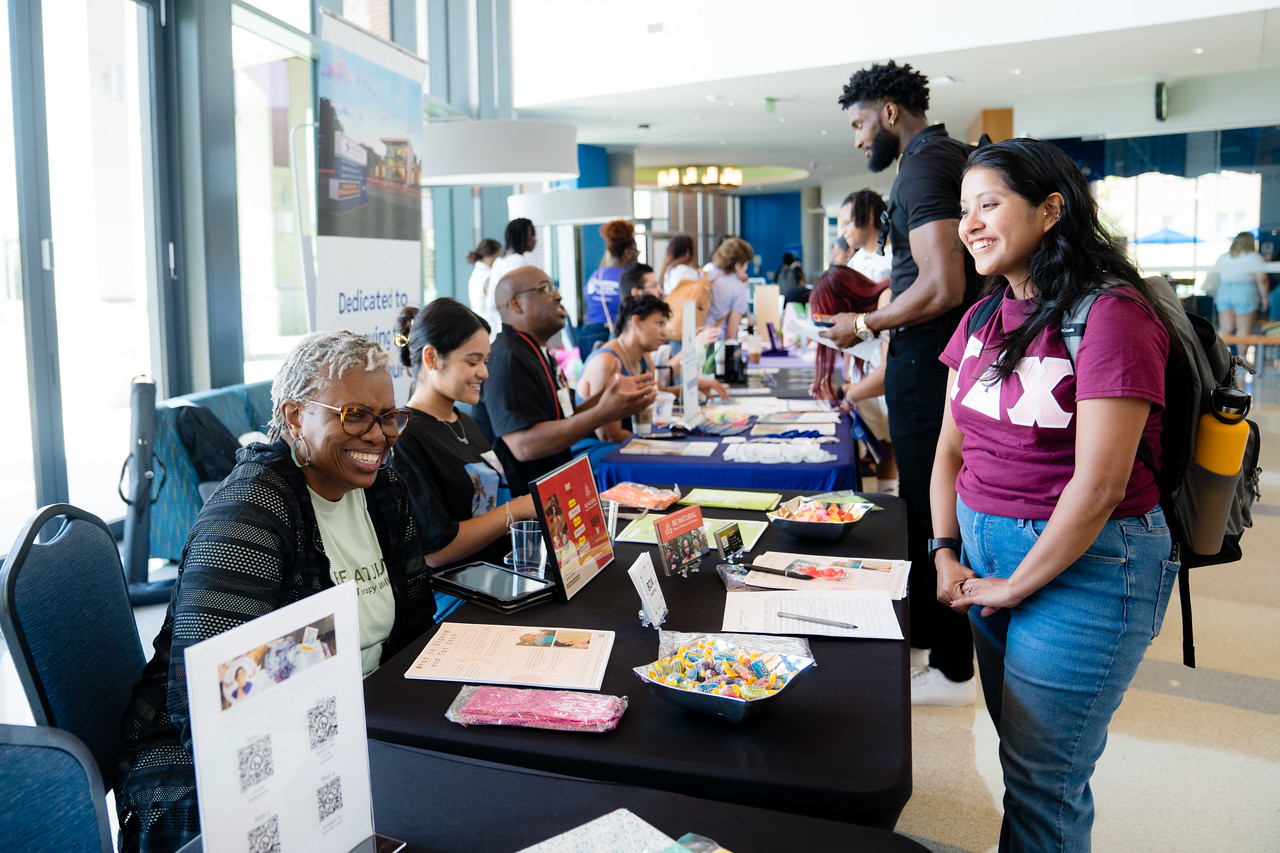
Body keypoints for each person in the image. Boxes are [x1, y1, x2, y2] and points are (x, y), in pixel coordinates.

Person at [934, 137, 1175, 852]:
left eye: (988, 204)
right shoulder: (980, 319)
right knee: (1028, 757)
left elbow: (1100, 484)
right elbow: (951, 449)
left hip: (1090, 568)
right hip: (985, 561)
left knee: (1045, 778)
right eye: (961, 209)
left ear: (1049, 209)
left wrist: (1015, 586)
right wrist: (945, 548)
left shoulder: (1112, 314)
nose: (969, 223)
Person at [115, 330, 435, 852]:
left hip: (354, 725)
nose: (378, 435)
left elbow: (416, 628)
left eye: (389, 417)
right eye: (355, 414)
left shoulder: (382, 492)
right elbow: (213, 705)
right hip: (223, 776)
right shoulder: (248, 517)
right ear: (293, 418)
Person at [826, 60, 981, 705]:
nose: (860, 139)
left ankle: (947, 664)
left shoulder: (921, 168)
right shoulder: (951, 156)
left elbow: (943, 287)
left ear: (890, 111)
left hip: (928, 363)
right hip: (949, 356)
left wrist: (863, 321)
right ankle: (947, 653)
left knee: (926, 508)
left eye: (861, 123)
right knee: (936, 502)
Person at [475, 266, 656, 496]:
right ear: (516, 304)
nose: (558, 295)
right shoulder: (507, 358)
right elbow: (524, 445)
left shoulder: (536, 351)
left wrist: (610, 395)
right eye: (546, 289)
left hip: (554, 488)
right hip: (523, 508)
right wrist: (603, 413)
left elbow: (563, 416)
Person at [391, 298, 537, 568]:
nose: (484, 373)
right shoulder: (404, 437)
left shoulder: (463, 421)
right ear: (432, 358)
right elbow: (436, 551)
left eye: (485, 361)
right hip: (458, 592)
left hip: (499, 572)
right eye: (472, 362)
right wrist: (520, 509)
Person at [575, 294, 729, 442]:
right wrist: (655, 442)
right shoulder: (606, 362)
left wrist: (696, 384)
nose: (664, 333)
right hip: (599, 450)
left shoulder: (643, 356)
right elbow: (609, 435)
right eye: (659, 324)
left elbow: (660, 392)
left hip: (631, 437)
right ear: (636, 321)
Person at [810, 266, 898, 493]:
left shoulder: (886, 301)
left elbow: (888, 373)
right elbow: (864, 380)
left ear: (844, 306)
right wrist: (839, 389)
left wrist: (851, 394)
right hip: (891, 440)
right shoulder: (857, 331)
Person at [580, 219, 639, 355]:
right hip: (609, 334)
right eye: (636, 250)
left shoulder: (596, 275)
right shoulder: (628, 278)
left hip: (586, 334)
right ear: (627, 252)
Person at [1207, 231, 1268, 336]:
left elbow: (1215, 277)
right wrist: (1264, 298)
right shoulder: (1254, 257)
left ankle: (1219, 352)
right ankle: (1241, 353)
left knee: (1225, 329)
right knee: (1244, 329)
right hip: (1245, 292)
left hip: (1224, 291)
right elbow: (1262, 280)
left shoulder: (1224, 257)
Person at [486, 218, 538, 337]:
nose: (535, 239)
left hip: (500, 326)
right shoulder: (518, 262)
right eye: (532, 235)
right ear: (522, 237)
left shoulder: (499, 261)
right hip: (515, 328)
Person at [838, 189, 893, 284]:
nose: (844, 232)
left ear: (869, 218)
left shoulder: (897, 255)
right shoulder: (853, 265)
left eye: (847, 223)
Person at [704, 236, 754, 340]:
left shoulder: (704, 275)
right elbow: (731, 335)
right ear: (737, 265)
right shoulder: (738, 287)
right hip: (714, 344)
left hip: (693, 338)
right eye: (745, 264)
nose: (746, 268)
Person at [465, 238, 502, 332]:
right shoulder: (488, 277)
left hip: (481, 325)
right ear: (491, 256)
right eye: (499, 256)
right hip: (492, 326)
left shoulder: (476, 274)